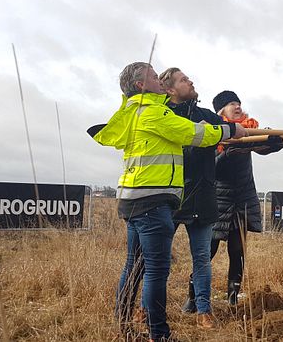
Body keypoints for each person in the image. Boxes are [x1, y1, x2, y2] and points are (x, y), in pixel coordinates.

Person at [92, 62, 247, 341]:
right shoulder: (153, 112)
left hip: (133, 200)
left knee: (135, 263)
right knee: (155, 270)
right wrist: (230, 131)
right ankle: (158, 334)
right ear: (141, 85)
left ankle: (123, 322)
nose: (159, 81)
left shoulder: (131, 113)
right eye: (154, 76)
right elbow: (195, 134)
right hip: (153, 200)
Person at [157, 67, 226, 328]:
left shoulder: (205, 115)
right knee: (158, 259)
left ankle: (203, 311)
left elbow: (235, 135)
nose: (191, 81)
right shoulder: (162, 117)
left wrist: (267, 142)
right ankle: (146, 308)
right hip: (170, 197)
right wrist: (198, 136)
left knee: (201, 257)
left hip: (203, 195)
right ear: (171, 90)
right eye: (184, 80)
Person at [210, 90, 283, 305]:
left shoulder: (249, 131)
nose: (238, 106)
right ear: (221, 110)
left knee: (237, 250)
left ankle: (232, 297)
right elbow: (212, 169)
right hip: (218, 201)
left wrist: (273, 143)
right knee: (208, 250)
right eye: (232, 103)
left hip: (242, 200)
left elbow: (261, 148)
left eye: (239, 102)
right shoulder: (212, 132)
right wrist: (226, 155)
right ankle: (194, 297)